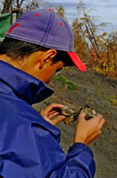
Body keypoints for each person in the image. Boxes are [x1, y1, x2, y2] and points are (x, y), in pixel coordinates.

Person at [0, 9, 105, 177]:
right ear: (47, 57)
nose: (49, 80)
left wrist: (35, 128)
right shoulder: (25, 128)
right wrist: (81, 145)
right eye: (57, 70)